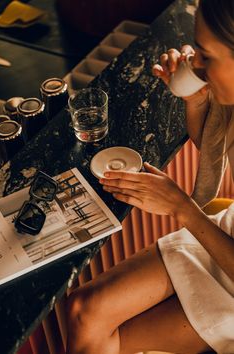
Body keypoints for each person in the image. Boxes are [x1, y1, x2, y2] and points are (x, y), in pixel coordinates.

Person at [66, 0, 234, 353]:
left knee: (117, 336)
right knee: (83, 309)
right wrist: (198, 100)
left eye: (207, 56)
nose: (197, 64)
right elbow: (217, 144)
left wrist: (183, 209)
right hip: (226, 234)